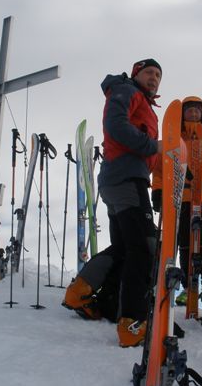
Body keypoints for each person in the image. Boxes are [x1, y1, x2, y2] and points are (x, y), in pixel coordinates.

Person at [63, 58, 161, 348]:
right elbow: (115, 125)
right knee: (143, 249)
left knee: (124, 248)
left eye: (158, 75)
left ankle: (81, 293)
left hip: (121, 179)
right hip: (127, 179)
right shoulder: (127, 91)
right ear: (136, 74)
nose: (154, 78)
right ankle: (131, 323)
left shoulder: (139, 100)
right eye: (149, 72)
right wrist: (152, 146)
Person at [151, 96, 202, 310]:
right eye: (189, 110)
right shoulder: (174, 139)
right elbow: (160, 169)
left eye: (197, 110)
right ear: (182, 114)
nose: (194, 114)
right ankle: (189, 288)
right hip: (180, 199)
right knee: (185, 244)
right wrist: (157, 191)